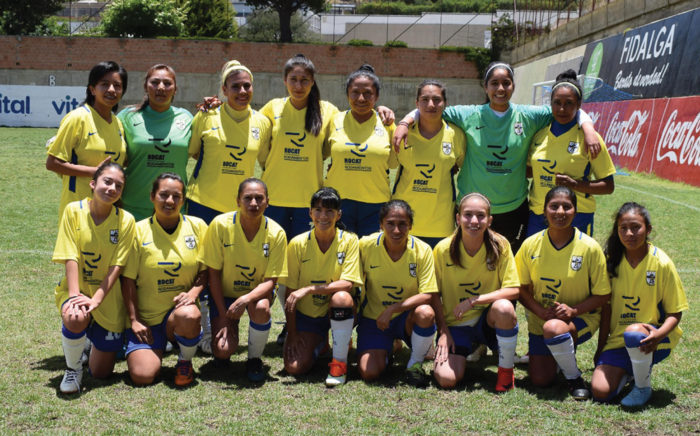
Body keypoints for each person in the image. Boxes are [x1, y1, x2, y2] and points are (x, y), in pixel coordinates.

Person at [393, 62, 600, 253]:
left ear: (513, 86)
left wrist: (588, 128)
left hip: (513, 208)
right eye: (494, 83)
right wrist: (404, 122)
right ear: (485, 87)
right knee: (472, 258)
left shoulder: (529, 115)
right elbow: (430, 108)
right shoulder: (467, 114)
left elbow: (567, 107)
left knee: (508, 261)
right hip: (473, 208)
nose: (500, 89)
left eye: (506, 83)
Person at [515, 186, 610, 400]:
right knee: (540, 380)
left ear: (575, 212)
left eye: (567, 207)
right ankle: (560, 355)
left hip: (581, 317)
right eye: (554, 206)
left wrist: (574, 310)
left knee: (555, 328)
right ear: (544, 210)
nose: (560, 212)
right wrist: (539, 311)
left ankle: (574, 377)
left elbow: (603, 295)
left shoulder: (589, 247)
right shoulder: (530, 244)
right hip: (542, 319)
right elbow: (519, 288)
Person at [591, 202, 688, 407]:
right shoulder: (611, 262)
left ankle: (642, 386)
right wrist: (600, 347)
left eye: (636, 227)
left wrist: (659, 334)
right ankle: (631, 373)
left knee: (634, 332)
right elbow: (606, 310)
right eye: (623, 228)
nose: (629, 233)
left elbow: (675, 312)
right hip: (619, 341)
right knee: (600, 392)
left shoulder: (661, 263)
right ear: (617, 231)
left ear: (648, 229)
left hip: (654, 338)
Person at [52, 161, 135, 394]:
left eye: (118, 186)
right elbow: (70, 256)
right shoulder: (73, 211)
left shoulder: (125, 220)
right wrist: (75, 296)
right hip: (77, 287)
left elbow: (117, 265)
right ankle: (73, 368)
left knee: (101, 373)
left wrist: (97, 299)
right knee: (76, 315)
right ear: (92, 183)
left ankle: (87, 341)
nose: (112, 188)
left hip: (108, 296)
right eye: (107, 181)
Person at [121, 173, 207, 387]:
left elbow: (206, 270)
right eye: (163, 195)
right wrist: (134, 320)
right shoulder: (137, 231)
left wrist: (194, 293)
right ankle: (157, 347)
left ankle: (184, 360)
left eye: (176, 196)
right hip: (147, 321)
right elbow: (128, 280)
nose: (170, 201)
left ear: (183, 200)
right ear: (152, 197)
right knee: (142, 376)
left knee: (188, 314)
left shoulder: (197, 227)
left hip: (178, 316)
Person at [197, 178, 287, 381]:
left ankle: (254, 359)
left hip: (255, 295)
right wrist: (224, 316)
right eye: (248, 198)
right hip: (225, 295)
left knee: (262, 309)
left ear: (268, 202)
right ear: (238, 200)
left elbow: (271, 281)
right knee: (221, 350)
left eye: (259, 198)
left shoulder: (276, 233)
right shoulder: (220, 225)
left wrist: (245, 299)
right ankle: (224, 349)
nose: (253, 203)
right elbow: (213, 275)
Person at [432, 193, 520, 391]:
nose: (474, 221)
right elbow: (433, 294)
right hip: (456, 325)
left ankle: (506, 373)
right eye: (467, 215)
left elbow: (514, 289)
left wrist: (474, 301)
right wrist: (443, 331)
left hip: (486, 322)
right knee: (446, 379)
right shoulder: (443, 249)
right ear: (457, 218)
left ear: (489, 220)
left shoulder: (500, 245)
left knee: (504, 308)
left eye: (480, 216)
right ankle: (466, 350)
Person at [283, 188, 363, 386]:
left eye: (330, 211)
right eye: (318, 210)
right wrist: (291, 334)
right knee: (294, 368)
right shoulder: (297, 244)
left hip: (341, 308)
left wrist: (311, 289)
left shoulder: (350, 240)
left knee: (342, 297)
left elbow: (348, 283)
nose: (323, 216)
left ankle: (339, 363)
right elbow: (290, 295)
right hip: (310, 316)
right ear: (310, 213)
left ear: (339, 215)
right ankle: (323, 342)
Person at [357, 200, 438, 387]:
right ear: (381, 225)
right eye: (390, 223)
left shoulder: (422, 250)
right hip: (375, 318)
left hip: (406, 318)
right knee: (369, 373)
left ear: (410, 226)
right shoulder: (365, 246)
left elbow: (428, 294)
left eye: (402, 224)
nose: (396, 230)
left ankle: (414, 364)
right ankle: (389, 347)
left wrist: (393, 309)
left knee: (426, 312)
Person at [526, 70, 615, 237]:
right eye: (557, 102)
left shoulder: (590, 139)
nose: (562, 108)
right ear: (550, 103)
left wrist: (574, 184)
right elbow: (529, 170)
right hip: (539, 213)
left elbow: (608, 186)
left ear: (579, 104)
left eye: (569, 103)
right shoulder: (539, 135)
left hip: (577, 215)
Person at [187, 60, 271, 222]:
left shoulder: (262, 123)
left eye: (247, 86)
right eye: (235, 86)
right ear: (224, 90)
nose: (242, 91)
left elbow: (265, 162)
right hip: (202, 202)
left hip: (240, 206)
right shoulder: (206, 116)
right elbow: (192, 152)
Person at [47, 61, 128, 220]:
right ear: (92, 89)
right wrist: (94, 172)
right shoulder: (77, 118)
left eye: (117, 86)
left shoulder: (118, 123)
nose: (111, 90)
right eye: (104, 84)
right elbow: (52, 163)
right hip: (78, 208)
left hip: (108, 209)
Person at [323, 64, 397, 236]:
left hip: (376, 205)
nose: (361, 98)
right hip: (339, 202)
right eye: (355, 92)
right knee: (341, 257)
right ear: (348, 94)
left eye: (368, 93)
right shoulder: (334, 121)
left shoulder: (387, 124)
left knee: (370, 257)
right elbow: (324, 153)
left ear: (377, 96)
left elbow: (392, 163)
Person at [392, 80, 466, 247]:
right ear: (416, 103)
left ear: (445, 103)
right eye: (424, 100)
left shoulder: (456, 135)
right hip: (403, 222)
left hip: (440, 225)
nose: (431, 104)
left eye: (437, 100)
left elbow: (461, 166)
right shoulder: (403, 134)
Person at [118, 64, 193, 221]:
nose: (161, 87)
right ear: (145, 86)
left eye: (167, 83)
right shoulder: (127, 117)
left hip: (174, 206)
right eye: (155, 82)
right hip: (133, 206)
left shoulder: (186, 118)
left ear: (175, 88)